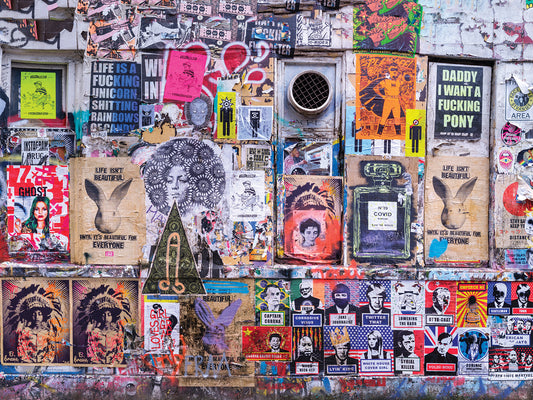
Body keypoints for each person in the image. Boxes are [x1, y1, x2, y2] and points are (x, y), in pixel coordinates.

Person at [5, 283, 64, 363]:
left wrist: (44, 362)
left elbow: (51, 350)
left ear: (43, 316)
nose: (36, 317)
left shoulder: (48, 333)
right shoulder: (25, 332)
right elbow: (21, 350)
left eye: (39, 314)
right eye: (33, 314)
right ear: (30, 316)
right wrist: (29, 362)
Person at [77, 285, 131, 365]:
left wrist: (115, 362)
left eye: (109, 314)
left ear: (112, 316)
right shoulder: (95, 332)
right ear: (99, 317)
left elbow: (120, 349)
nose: (106, 318)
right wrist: (96, 362)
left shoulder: (117, 333)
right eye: (103, 315)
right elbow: (90, 348)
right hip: (97, 365)